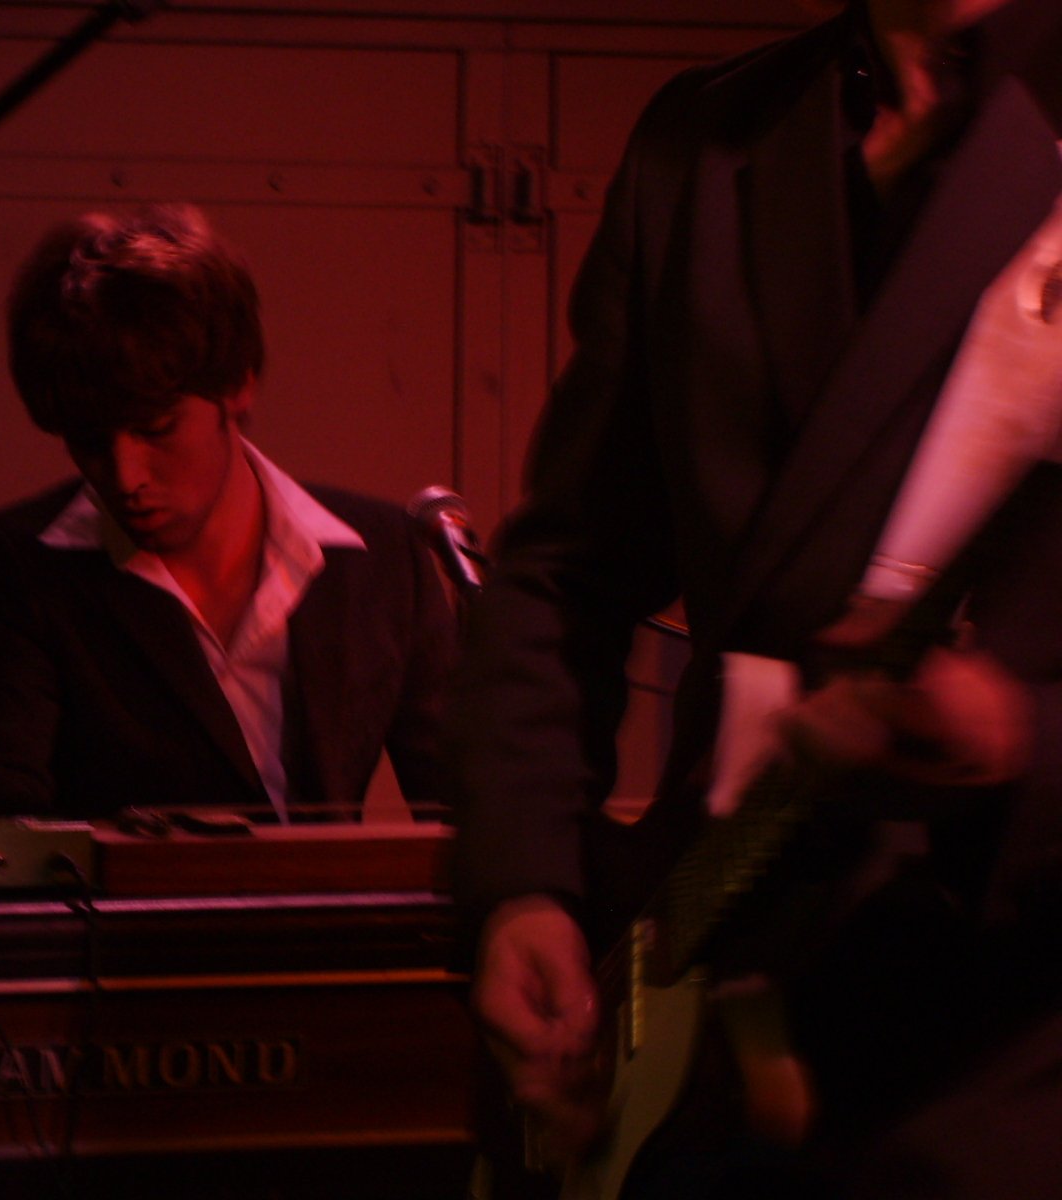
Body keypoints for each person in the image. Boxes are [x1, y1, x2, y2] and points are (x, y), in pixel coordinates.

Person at [448, 0, 1062, 1196]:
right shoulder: (703, 140)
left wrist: (1019, 743)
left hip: (1010, 1029)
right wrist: (522, 882)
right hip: (710, 972)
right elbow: (565, 566)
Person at [0, 204, 456, 823]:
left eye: (156, 429)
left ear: (238, 385)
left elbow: (467, 804)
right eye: (90, 442)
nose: (125, 478)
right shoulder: (22, 565)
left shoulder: (385, 557)